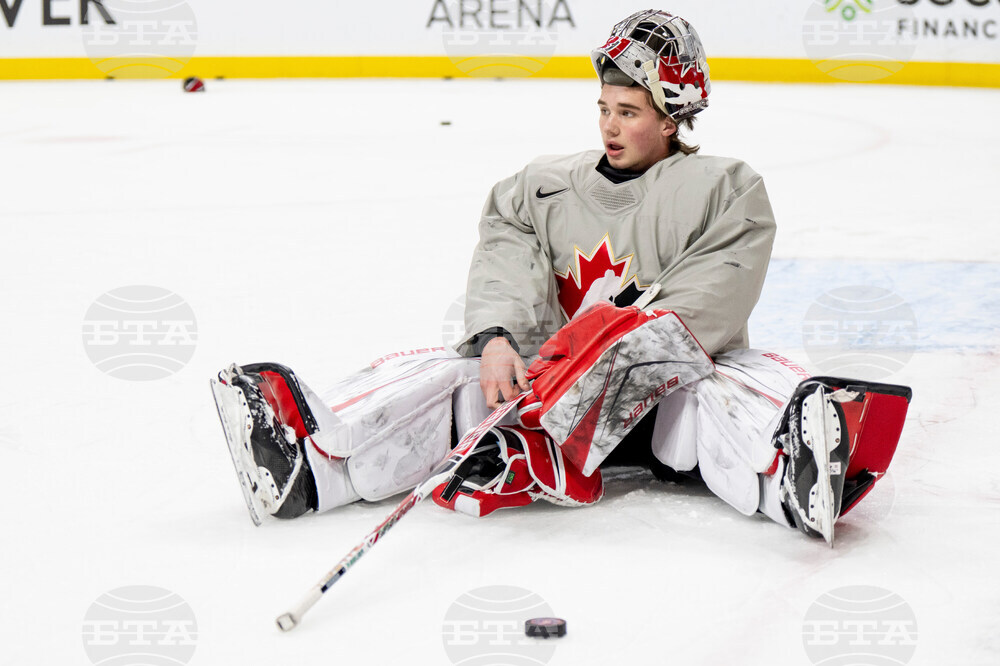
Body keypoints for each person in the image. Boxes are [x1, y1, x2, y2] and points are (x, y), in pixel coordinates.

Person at [210, 10, 911, 545]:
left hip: (664, 393)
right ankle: (310, 465)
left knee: (746, 382)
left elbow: (711, 299)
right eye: (604, 108)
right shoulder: (543, 186)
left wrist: (602, 367)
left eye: (629, 112)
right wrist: (496, 338)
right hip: (540, 397)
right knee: (442, 371)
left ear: (673, 118)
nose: (610, 126)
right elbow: (505, 251)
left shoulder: (726, 188)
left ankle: (797, 472)